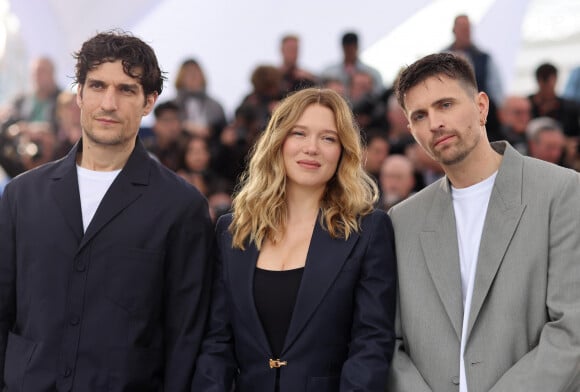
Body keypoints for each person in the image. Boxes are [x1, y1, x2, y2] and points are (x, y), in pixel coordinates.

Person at [0, 30, 213, 391]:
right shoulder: (23, 195)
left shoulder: (182, 207)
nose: (109, 103)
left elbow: (186, 337)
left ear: (149, 102)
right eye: (97, 86)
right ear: (79, 95)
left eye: (126, 89)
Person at [386, 52, 580, 391]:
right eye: (420, 115)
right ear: (411, 130)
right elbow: (389, 342)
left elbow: (571, 329)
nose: (434, 123)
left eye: (445, 105)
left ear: (481, 106)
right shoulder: (402, 220)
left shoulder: (561, 192)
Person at [192, 87, 397, 391]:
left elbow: (371, 343)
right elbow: (217, 343)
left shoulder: (368, 229)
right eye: (299, 133)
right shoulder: (233, 231)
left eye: (328, 138)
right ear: (278, 141)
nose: (311, 148)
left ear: (343, 150)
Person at [321, 31, 383, 96]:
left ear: (357, 47)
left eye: (352, 47)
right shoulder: (328, 73)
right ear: (343, 48)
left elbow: (379, 93)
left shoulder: (373, 74)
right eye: (347, 48)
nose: (350, 51)